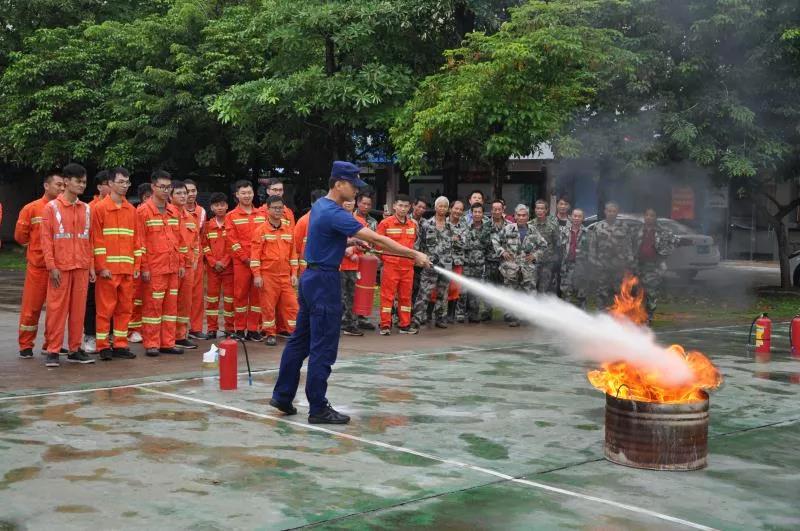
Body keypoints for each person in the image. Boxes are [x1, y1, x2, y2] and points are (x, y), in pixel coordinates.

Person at [270, 161, 430, 425]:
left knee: (300, 341)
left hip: (312, 277)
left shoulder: (321, 205)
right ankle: (318, 407)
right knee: (323, 345)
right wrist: (414, 254)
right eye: (353, 184)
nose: (357, 190)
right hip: (324, 281)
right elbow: (378, 239)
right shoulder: (336, 212)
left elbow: (327, 236)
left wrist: (350, 240)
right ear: (339, 184)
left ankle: (283, 396)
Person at [41, 163, 95, 367]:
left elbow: (88, 240)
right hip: (60, 268)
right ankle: (53, 351)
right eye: (78, 181)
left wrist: (90, 267)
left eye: (84, 182)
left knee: (78, 311)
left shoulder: (86, 209)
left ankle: (75, 349)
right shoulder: (51, 208)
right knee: (56, 310)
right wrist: (51, 266)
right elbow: (46, 240)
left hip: (80, 266)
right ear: (66, 182)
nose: (82, 185)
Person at [136, 170, 186, 357]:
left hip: (173, 268)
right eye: (162, 187)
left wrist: (181, 264)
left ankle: (168, 342)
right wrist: (144, 267)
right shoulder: (143, 212)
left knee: (171, 307)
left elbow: (179, 241)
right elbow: (139, 243)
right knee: (153, 307)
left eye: (168, 187)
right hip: (154, 269)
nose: (166, 191)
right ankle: (151, 343)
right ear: (153, 187)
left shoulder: (174, 211)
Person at [16, 171, 65, 358]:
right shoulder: (31, 208)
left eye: (63, 185)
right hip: (38, 268)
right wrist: (36, 250)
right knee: (32, 308)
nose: (61, 188)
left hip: (59, 268)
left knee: (56, 310)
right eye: (58, 185)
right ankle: (25, 345)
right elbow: (20, 236)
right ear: (46, 186)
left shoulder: (63, 209)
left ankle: (51, 344)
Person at [91, 167, 138, 361]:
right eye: (121, 182)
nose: (125, 186)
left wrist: (136, 267)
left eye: (127, 182)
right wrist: (101, 267)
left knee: (125, 309)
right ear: (110, 184)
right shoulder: (99, 209)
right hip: (108, 271)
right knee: (105, 310)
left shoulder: (131, 210)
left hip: (127, 270)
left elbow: (137, 241)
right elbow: (96, 241)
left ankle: (120, 344)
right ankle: (103, 346)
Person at [251, 195, 299, 346]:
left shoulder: (288, 229)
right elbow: (255, 257)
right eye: (275, 208)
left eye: (280, 208)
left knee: (292, 306)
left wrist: (294, 274)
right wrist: (257, 275)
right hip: (268, 276)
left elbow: (293, 255)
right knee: (268, 307)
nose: (278, 210)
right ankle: (270, 333)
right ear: (268, 210)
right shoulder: (260, 231)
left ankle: (294, 332)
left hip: (285, 276)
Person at [494, 204, 547, 327]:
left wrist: (535, 255)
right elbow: (495, 240)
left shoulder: (533, 230)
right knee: (511, 292)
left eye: (524, 215)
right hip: (511, 268)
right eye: (519, 215)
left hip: (528, 268)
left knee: (529, 292)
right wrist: (502, 251)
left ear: (528, 216)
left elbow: (543, 245)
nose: (521, 217)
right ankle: (512, 316)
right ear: (515, 216)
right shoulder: (508, 228)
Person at [225, 180, 266, 341]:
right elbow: (232, 242)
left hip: (259, 263)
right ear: (237, 195)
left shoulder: (262, 215)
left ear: (253, 194)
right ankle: (240, 329)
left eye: (249, 192)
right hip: (241, 264)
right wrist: (245, 258)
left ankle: (253, 329)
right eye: (243, 193)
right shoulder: (231, 216)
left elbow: (265, 238)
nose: (247, 195)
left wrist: (258, 259)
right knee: (240, 296)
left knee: (257, 297)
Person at [376, 194, 418, 335]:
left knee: (406, 297)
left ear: (410, 207)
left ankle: (404, 324)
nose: (403, 209)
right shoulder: (385, 223)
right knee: (387, 296)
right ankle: (385, 325)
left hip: (408, 267)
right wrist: (386, 259)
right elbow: (377, 245)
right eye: (400, 205)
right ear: (394, 206)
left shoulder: (413, 224)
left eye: (406, 206)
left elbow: (414, 245)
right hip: (391, 266)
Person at [413, 196, 455, 329]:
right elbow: (419, 244)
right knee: (424, 292)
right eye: (440, 206)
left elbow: (457, 245)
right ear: (435, 208)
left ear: (448, 209)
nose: (442, 208)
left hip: (446, 265)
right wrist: (419, 259)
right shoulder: (426, 225)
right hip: (430, 265)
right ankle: (418, 318)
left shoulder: (451, 227)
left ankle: (440, 318)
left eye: (445, 206)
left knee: (442, 294)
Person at [81, 170, 110, 354]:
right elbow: (89, 240)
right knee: (91, 301)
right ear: (99, 187)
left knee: (111, 303)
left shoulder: (119, 207)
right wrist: (92, 265)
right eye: (108, 183)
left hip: (112, 264)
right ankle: (90, 335)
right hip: (94, 263)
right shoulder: (90, 208)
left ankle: (109, 336)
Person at [632, 208, 678, 323]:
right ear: (644, 217)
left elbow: (674, 241)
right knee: (637, 291)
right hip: (638, 264)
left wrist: (663, 254)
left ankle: (649, 316)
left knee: (650, 292)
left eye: (652, 215)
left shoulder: (662, 231)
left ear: (655, 218)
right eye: (647, 215)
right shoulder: (637, 230)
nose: (649, 217)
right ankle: (638, 315)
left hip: (653, 266)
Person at [588, 201, 634, 309]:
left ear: (617, 212)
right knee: (601, 293)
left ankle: (616, 317)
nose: (611, 213)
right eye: (609, 211)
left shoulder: (624, 227)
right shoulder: (598, 227)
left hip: (619, 267)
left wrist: (629, 263)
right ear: (605, 211)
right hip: (602, 267)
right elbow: (592, 248)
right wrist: (595, 263)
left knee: (618, 292)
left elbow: (629, 247)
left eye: (614, 211)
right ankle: (601, 316)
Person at [171, 181, 200, 350]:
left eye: (185, 193)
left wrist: (195, 258)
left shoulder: (190, 218)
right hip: (172, 266)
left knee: (185, 302)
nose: (184, 196)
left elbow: (195, 242)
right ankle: (168, 335)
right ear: (171, 196)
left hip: (188, 267)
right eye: (180, 193)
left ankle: (180, 335)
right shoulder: (168, 215)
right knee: (170, 303)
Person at [203, 193, 234, 338]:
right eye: (216, 205)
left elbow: (233, 245)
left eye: (222, 204)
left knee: (229, 300)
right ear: (211, 208)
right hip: (213, 269)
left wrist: (225, 262)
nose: (220, 208)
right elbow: (204, 246)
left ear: (227, 206)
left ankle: (229, 329)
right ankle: (211, 329)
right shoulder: (208, 226)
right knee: (211, 300)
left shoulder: (232, 224)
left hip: (229, 269)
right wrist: (214, 263)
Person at [184, 179, 209, 340]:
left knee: (197, 296)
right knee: (180, 296)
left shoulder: (202, 212)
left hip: (197, 259)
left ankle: (196, 328)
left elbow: (202, 236)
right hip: (180, 258)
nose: (191, 194)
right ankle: (177, 331)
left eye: (193, 190)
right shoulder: (174, 211)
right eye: (187, 191)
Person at [128, 183, 152, 343]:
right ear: (145, 198)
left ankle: (143, 328)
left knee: (149, 299)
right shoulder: (139, 213)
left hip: (153, 262)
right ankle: (132, 329)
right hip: (139, 261)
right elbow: (138, 242)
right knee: (135, 298)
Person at [461, 203, 493, 322]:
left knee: (475, 291)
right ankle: (459, 315)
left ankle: (473, 315)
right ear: (472, 213)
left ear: (482, 213)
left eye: (480, 212)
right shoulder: (465, 227)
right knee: (463, 291)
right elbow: (461, 243)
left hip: (480, 265)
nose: (477, 214)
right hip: (466, 264)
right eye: (475, 212)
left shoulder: (488, 228)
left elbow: (490, 246)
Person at [338, 199, 365, 337]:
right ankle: (337, 324)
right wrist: (346, 251)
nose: (348, 203)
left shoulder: (360, 221)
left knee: (353, 296)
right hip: (339, 265)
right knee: (338, 296)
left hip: (355, 266)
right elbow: (333, 240)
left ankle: (350, 324)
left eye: (351, 200)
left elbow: (366, 242)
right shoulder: (336, 219)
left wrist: (353, 249)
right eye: (346, 200)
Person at [481, 199, 510, 321]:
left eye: (499, 209)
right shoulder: (486, 225)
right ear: (491, 210)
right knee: (489, 287)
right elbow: (481, 242)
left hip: (505, 262)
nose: (497, 211)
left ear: (503, 210)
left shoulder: (509, 225)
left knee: (506, 288)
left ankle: (508, 313)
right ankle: (487, 312)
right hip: (490, 261)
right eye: (494, 209)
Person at [353, 192, 377, 331]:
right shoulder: (350, 217)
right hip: (352, 257)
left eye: (369, 204)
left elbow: (376, 240)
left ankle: (362, 317)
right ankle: (350, 318)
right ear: (358, 202)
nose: (366, 206)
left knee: (365, 289)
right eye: (364, 203)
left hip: (367, 261)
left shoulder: (373, 222)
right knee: (351, 289)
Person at [559, 208, 589, 308]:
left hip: (582, 267)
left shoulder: (588, 232)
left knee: (582, 293)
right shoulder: (563, 231)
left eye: (579, 216)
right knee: (566, 293)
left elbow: (592, 250)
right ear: (571, 217)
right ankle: (566, 317)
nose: (576, 218)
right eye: (575, 216)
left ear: (583, 218)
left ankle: (582, 317)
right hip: (567, 266)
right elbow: (559, 248)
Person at [530, 199, 561, 293]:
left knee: (544, 288)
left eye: (542, 208)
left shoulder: (552, 225)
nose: (539, 211)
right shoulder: (530, 225)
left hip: (547, 263)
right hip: (533, 262)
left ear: (546, 210)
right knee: (531, 287)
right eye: (537, 208)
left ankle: (541, 306)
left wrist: (555, 261)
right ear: (535, 210)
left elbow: (557, 244)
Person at [294, 189, 327, 277]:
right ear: (312, 203)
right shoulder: (303, 221)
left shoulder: (332, 221)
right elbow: (295, 249)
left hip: (327, 270)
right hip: (306, 271)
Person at [446, 200, 468, 323]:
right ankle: (430, 315)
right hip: (443, 261)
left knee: (454, 288)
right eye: (456, 208)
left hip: (457, 262)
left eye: (460, 209)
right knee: (436, 288)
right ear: (450, 209)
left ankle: (451, 315)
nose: (458, 211)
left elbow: (465, 244)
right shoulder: (442, 223)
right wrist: (454, 239)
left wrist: (452, 239)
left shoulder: (464, 226)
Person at [409, 197, 429, 306]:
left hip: (420, 261)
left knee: (417, 286)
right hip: (408, 258)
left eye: (424, 208)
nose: (421, 209)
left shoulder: (426, 223)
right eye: (419, 206)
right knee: (406, 287)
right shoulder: (406, 220)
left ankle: (413, 310)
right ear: (413, 206)